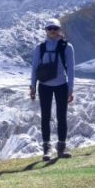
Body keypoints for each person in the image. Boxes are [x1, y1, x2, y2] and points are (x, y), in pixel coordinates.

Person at [29, 18, 75, 160]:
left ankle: (61, 147)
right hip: (44, 86)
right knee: (45, 117)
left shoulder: (67, 47)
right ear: (46, 30)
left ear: (59, 29)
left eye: (55, 28)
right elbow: (35, 68)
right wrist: (32, 87)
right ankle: (46, 149)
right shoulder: (40, 47)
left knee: (62, 117)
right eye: (50, 28)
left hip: (61, 86)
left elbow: (71, 69)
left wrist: (70, 88)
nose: (53, 31)